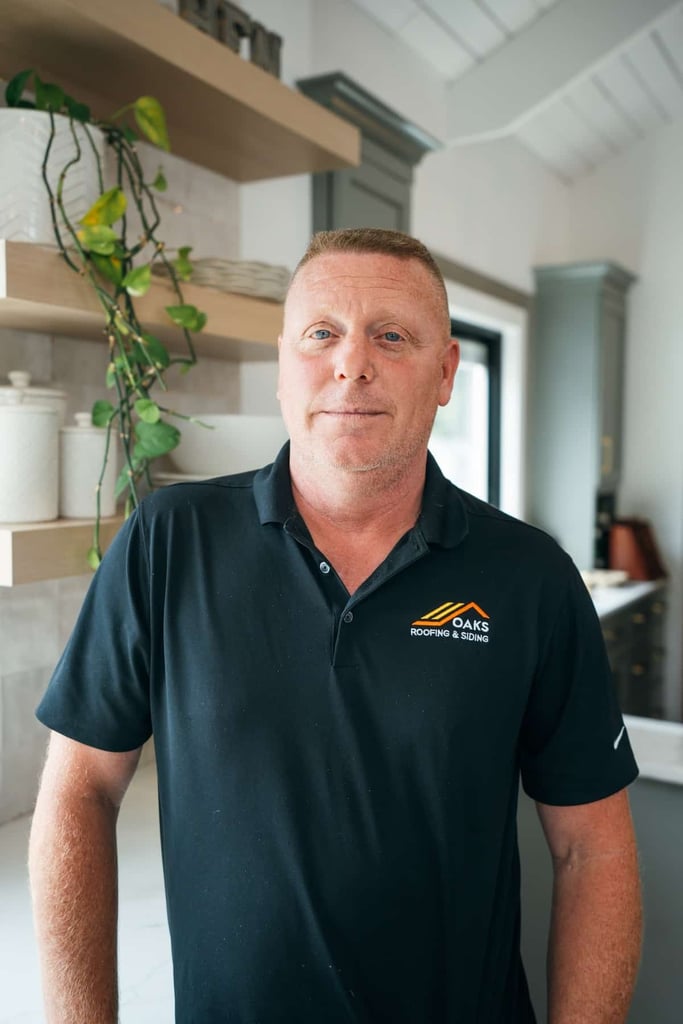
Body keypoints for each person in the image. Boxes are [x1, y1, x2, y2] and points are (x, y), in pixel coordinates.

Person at [29, 228, 642, 1023]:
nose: (351, 362)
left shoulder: (529, 577)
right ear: (284, 366)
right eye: (322, 333)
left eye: (391, 335)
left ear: (446, 372)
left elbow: (591, 845)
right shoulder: (169, 541)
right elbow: (79, 790)